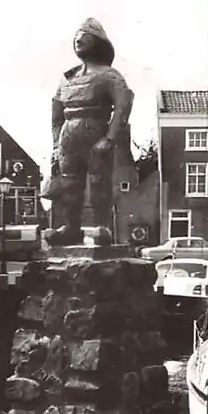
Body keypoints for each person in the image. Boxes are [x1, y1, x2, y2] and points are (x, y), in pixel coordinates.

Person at [41, 18, 134, 246]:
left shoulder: (109, 75)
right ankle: (70, 228)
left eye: (85, 36)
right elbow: (56, 114)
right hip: (68, 137)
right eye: (76, 36)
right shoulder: (66, 79)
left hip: (95, 132)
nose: (78, 39)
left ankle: (103, 226)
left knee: (99, 181)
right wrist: (56, 144)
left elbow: (124, 103)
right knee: (69, 184)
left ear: (99, 42)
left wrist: (110, 138)